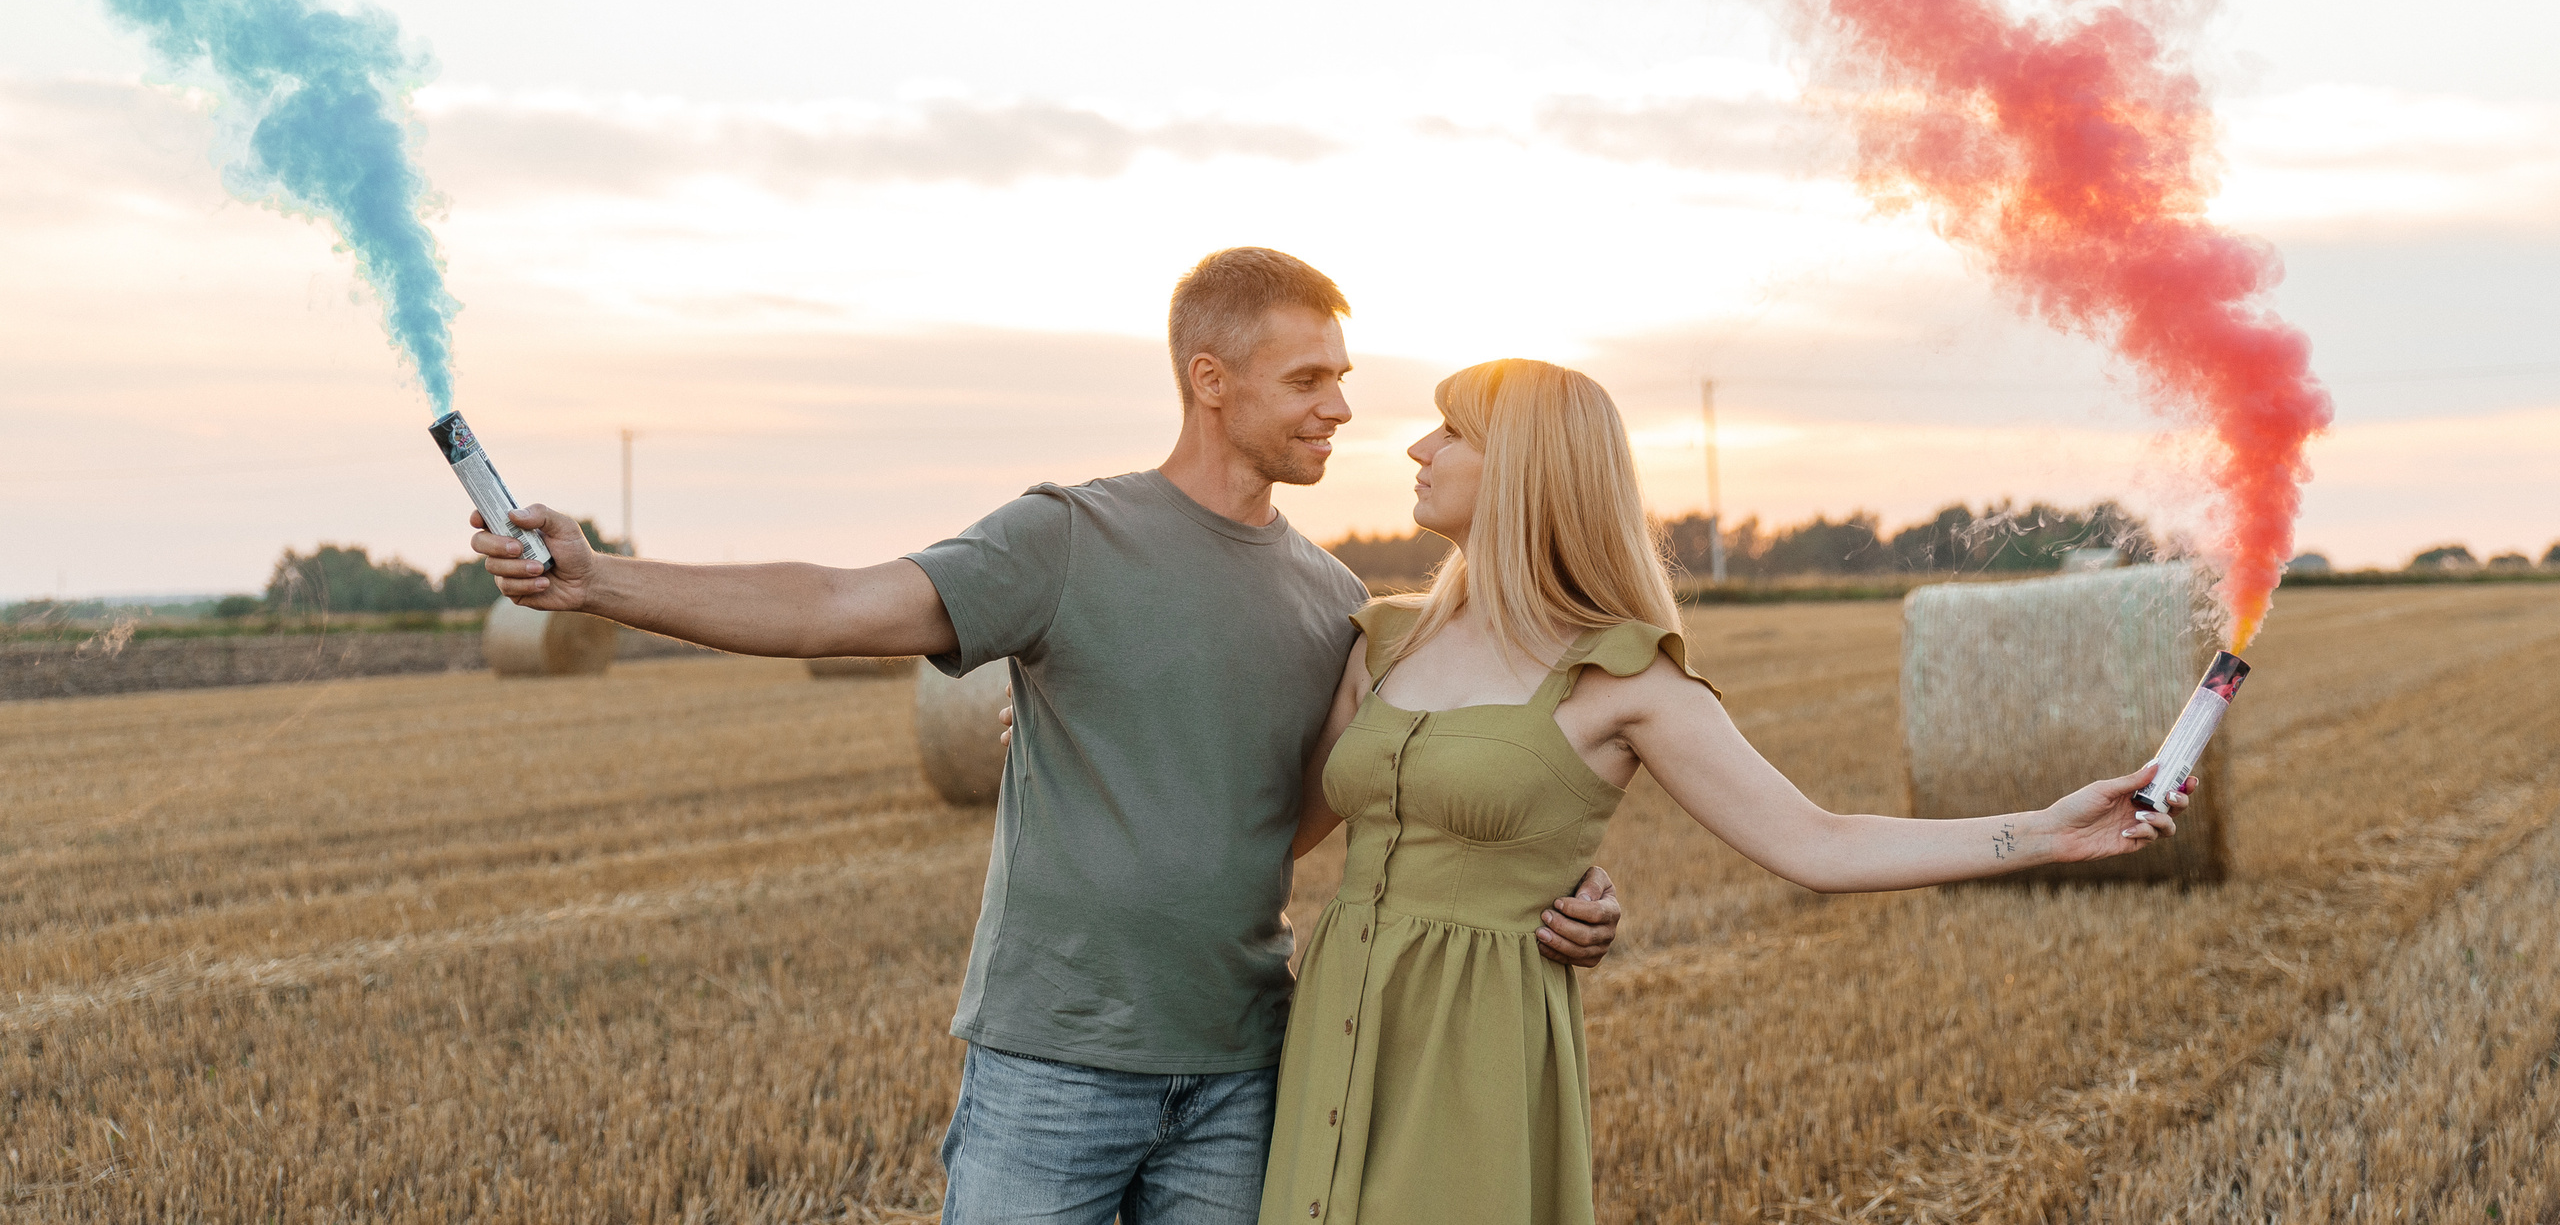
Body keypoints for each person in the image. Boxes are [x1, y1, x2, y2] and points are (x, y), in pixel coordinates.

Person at [467, 248, 1627, 1225]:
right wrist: (599, 582)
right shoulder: (1067, 536)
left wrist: (1548, 880)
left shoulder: (1336, 599)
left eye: (1344, 377)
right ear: (1209, 379)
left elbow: (1392, 789)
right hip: (1052, 1065)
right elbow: (835, 602)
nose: (1340, 407)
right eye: (1308, 378)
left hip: (1245, 1063)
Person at [1258, 358, 2196, 1225]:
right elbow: (1273, 834)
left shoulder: (1624, 678)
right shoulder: (1383, 641)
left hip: (1472, 1050)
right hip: (1333, 1022)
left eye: (1451, 431)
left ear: (1525, 468)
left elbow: (1818, 842)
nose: (1418, 449)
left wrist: (2044, 833)